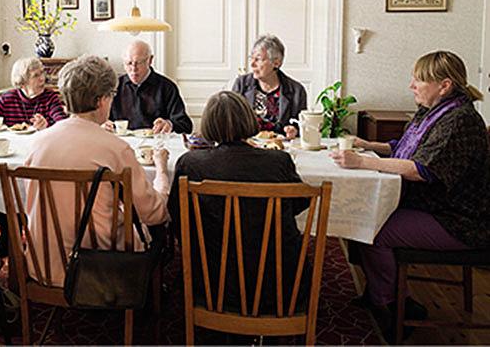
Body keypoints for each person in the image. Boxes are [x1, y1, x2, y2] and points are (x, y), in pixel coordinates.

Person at [330, 51, 490, 337]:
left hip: (460, 220)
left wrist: (364, 161)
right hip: (433, 207)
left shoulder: (460, 121)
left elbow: (421, 169)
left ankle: (392, 305)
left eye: (419, 80)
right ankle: (383, 291)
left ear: (445, 85)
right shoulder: (433, 112)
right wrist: (368, 144)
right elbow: (403, 147)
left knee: (373, 227)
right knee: (362, 214)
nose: (411, 85)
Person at [24, 55, 170, 286]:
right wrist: (162, 174)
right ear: (102, 101)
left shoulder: (36, 142)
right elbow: (153, 212)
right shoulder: (116, 148)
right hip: (101, 265)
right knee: (158, 228)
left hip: (43, 261)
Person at [167, 91, 310, 312]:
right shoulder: (278, 161)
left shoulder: (190, 163)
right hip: (276, 280)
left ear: (208, 125)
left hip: (211, 278)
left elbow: (177, 217)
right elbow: (299, 204)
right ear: (248, 118)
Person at [107, 40, 193, 134]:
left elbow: (186, 126)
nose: (133, 69)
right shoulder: (115, 86)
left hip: (156, 144)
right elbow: (100, 119)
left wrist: (170, 124)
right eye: (129, 63)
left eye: (138, 63)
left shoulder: (167, 87)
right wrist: (104, 125)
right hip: (121, 144)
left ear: (150, 60)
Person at [232, 34, 307, 139]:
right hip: (248, 147)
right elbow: (231, 121)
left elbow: (301, 126)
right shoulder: (241, 84)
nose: (252, 64)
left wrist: (294, 130)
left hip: (281, 148)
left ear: (276, 63)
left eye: (258, 59)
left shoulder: (296, 91)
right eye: (251, 58)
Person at [0, 57, 66, 131]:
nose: (42, 79)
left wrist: (47, 125)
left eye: (42, 73)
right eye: (36, 76)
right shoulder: (8, 99)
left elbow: (64, 124)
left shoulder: (50, 97)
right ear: (22, 82)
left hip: (40, 147)